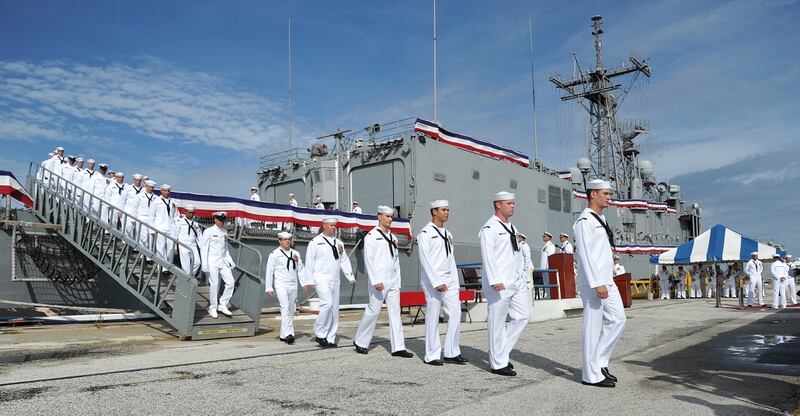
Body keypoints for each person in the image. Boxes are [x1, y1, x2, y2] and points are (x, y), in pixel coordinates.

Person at [573, 179, 626, 388]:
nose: (609, 197)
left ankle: (599, 362)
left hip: (606, 279)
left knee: (618, 319)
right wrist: (597, 283)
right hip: (594, 282)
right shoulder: (584, 221)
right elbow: (585, 254)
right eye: (605, 193)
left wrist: (605, 279)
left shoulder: (599, 219)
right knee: (592, 327)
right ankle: (590, 375)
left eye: (609, 193)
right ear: (593, 194)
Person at [479, 191, 530, 376]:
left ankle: (499, 353)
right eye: (509, 203)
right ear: (498, 205)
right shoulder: (490, 228)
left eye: (513, 203)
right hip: (499, 283)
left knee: (523, 316)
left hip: (515, 281)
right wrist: (494, 279)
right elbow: (488, 255)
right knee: (497, 322)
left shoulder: (511, 227)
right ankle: (498, 363)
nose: (513, 206)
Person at [353, 205, 413, 358]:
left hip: (392, 281)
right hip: (379, 281)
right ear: (379, 217)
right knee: (373, 311)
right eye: (387, 216)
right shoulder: (371, 236)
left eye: (391, 217)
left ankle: (398, 347)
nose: (390, 219)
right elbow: (369, 260)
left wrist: (397, 281)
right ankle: (360, 341)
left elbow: (395, 260)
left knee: (395, 313)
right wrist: (375, 280)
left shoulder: (393, 237)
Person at [418, 200, 466, 366]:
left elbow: (450, 259)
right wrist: (436, 281)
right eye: (443, 210)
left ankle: (452, 352)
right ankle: (431, 355)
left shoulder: (448, 234)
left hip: (449, 280)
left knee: (455, 313)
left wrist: (455, 282)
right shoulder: (425, 233)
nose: (447, 212)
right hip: (433, 281)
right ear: (434, 212)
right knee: (433, 316)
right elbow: (425, 260)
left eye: (448, 209)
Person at [305, 217, 355, 347]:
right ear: (324, 226)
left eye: (335, 225)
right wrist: (309, 280)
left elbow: (344, 260)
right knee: (327, 304)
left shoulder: (338, 243)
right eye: (332, 225)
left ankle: (330, 338)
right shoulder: (315, 242)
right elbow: (309, 261)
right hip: (321, 278)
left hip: (335, 279)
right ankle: (320, 333)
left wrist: (350, 276)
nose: (334, 227)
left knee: (334, 310)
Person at [265, 231, 313, 344]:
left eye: (289, 239)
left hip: (293, 284)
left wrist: (304, 283)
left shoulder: (295, 253)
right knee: (285, 307)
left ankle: (283, 334)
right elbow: (269, 271)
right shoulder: (274, 254)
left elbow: (300, 268)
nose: (287, 241)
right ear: (279, 241)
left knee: (291, 310)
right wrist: (269, 287)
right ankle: (289, 334)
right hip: (281, 284)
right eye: (285, 239)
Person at [199, 212, 236, 319]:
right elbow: (204, 248)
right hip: (212, 261)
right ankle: (213, 307)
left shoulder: (224, 232)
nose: (222, 222)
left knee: (230, 282)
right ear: (215, 220)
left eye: (223, 220)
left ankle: (223, 304)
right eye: (220, 220)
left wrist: (229, 260)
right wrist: (204, 264)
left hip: (223, 261)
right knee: (215, 284)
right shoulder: (208, 231)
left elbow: (225, 248)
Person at [150, 184, 179, 263]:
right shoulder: (156, 201)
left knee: (171, 248)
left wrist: (176, 228)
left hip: (171, 228)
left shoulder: (173, 202)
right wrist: (152, 230)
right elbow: (151, 216)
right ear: (161, 191)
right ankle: (162, 267)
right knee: (161, 247)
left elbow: (176, 216)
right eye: (165, 190)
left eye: (168, 191)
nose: (167, 192)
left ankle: (168, 264)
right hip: (160, 227)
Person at [174, 205, 201, 279]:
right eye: (189, 212)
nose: (191, 214)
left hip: (193, 245)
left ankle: (189, 278)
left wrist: (201, 247)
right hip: (183, 245)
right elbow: (175, 235)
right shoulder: (180, 221)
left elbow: (199, 236)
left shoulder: (195, 223)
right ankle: (188, 280)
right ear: (185, 212)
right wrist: (175, 247)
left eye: (192, 213)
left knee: (197, 262)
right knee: (186, 266)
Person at [137, 180, 157, 249]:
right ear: (146, 186)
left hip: (151, 218)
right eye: (150, 187)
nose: (151, 188)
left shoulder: (156, 197)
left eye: (152, 187)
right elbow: (134, 207)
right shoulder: (140, 195)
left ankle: (149, 252)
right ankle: (142, 252)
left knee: (150, 236)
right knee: (143, 235)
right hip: (142, 217)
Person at [123, 174, 144, 240]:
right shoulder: (128, 188)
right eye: (137, 180)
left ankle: (135, 243)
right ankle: (126, 241)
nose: (138, 182)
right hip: (129, 210)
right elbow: (123, 199)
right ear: (134, 180)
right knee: (129, 227)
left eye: (140, 180)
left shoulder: (143, 189)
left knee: (138, 228)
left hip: (139, 211)